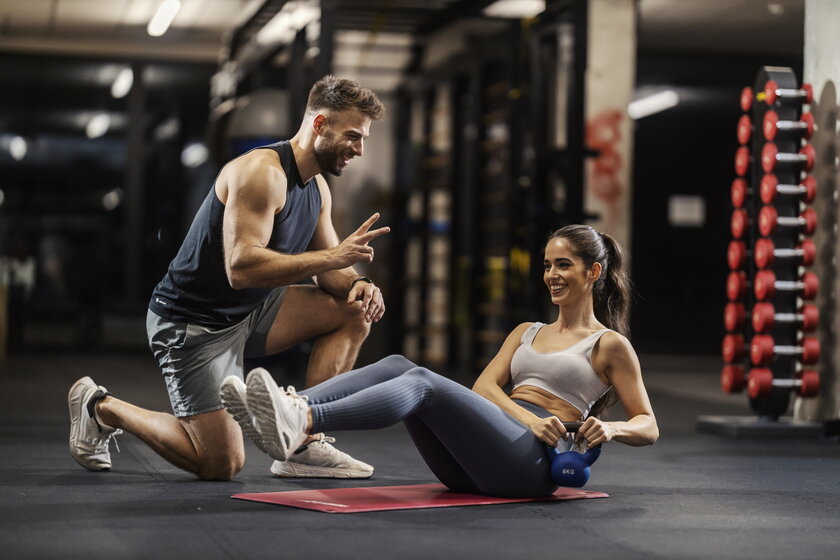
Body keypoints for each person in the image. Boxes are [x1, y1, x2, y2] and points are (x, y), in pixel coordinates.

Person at [68, 76, 390, 481]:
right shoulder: (262, 173)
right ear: (320, 124)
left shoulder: (317, 189)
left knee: (353, 310)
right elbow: (241, 268)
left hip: (251, 311)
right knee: (220, 464)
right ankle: (100, 407)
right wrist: (333, 256)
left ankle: (304, 440)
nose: (359, 150)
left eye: (364, 140)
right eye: (353, 136)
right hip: (192, 323)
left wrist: (358, 283)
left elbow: (331, 270)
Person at [225, 224, 659, 497]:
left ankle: (302, 420)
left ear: (594, 273)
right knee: (398, 363)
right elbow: (483, 389)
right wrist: (525, 419)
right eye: (547, 265)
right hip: (486, 454)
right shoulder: (527, 331)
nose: (552, 275)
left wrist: (613, 427)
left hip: (532, 465)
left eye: (564, 265)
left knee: (424, 385)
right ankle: (289, 406)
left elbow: (648, 424)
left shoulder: (609, 345)